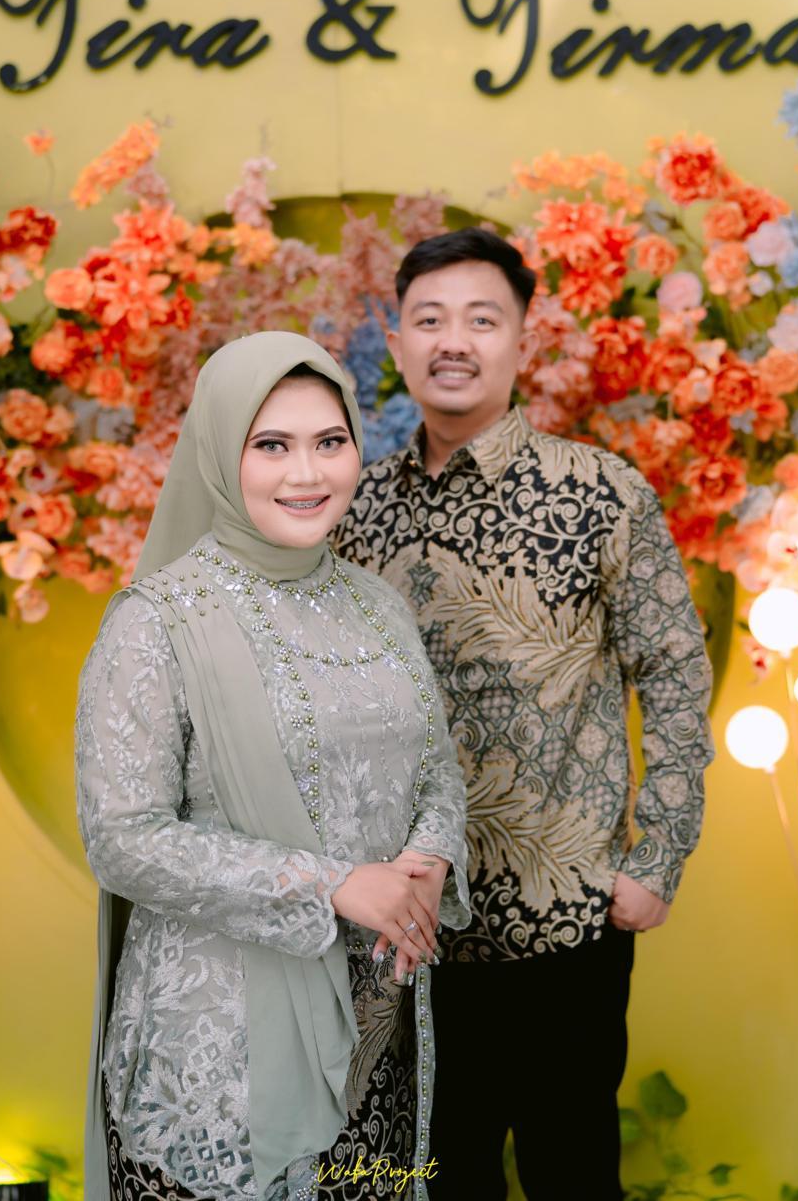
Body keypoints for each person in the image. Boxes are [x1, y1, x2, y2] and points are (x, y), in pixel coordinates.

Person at [335, 229, 715, 1201]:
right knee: (431, 1179)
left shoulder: (600, 492)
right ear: (397, 340)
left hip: (566, 920)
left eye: (480, 318)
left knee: (570, 1176)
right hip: (408, 933)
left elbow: (675, 669)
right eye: (429, 319)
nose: (452, 341)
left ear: (520, 339)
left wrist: (657, 857)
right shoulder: (355, 507)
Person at [76, 332, 468, 1201]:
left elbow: (436, 765)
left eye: (330, 441)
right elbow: (124, 839)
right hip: (217, 1060)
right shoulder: (156, 621)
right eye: (272, 445)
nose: (307, 472)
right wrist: (335, 884)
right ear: (223, 454)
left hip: (372, 1033)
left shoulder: (379, 606)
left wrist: (431, 856)